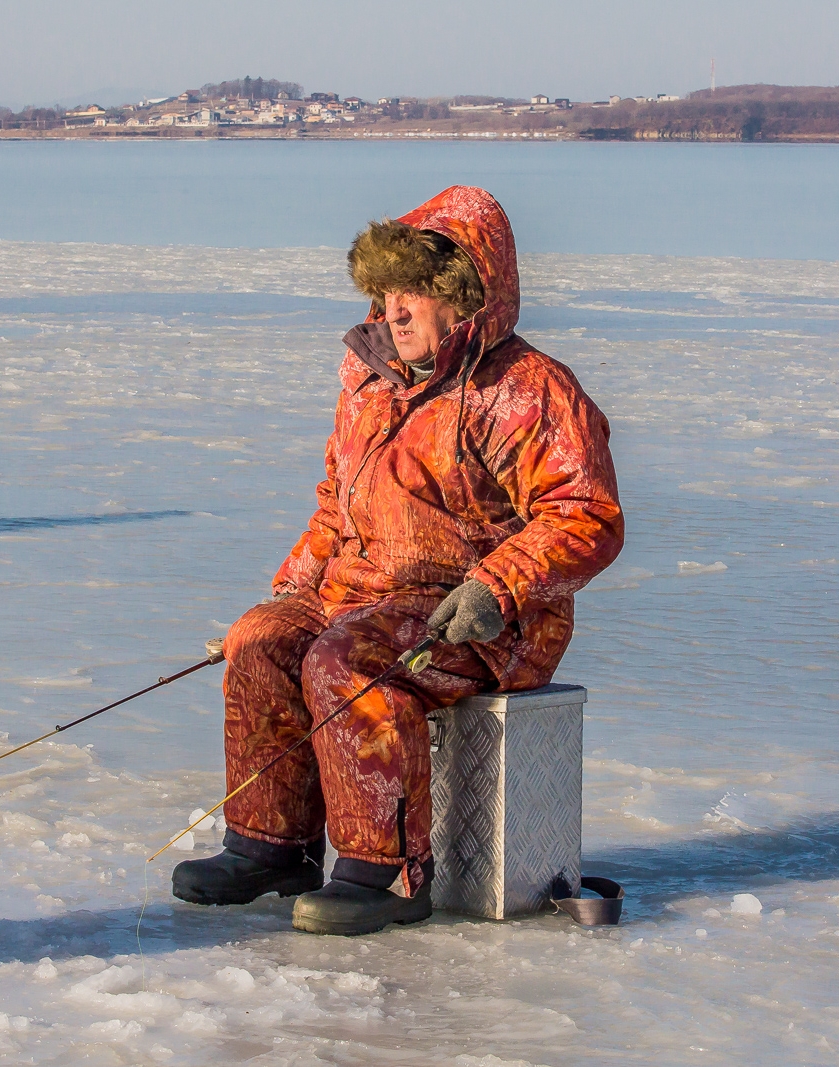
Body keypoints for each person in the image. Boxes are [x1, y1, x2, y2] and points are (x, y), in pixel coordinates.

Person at [173, 186, 625, 935]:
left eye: (414, 291)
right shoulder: (366, 380)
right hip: (361, 590)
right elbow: (334, 505)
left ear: (464, 295)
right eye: (385, 294)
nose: (395, 310)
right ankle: (270, 846)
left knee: (347, 659)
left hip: (479, 615)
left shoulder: (524, 389)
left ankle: (385, 870)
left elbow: (587, 516)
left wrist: (498, 586)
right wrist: (285, 595)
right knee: (262, 641)